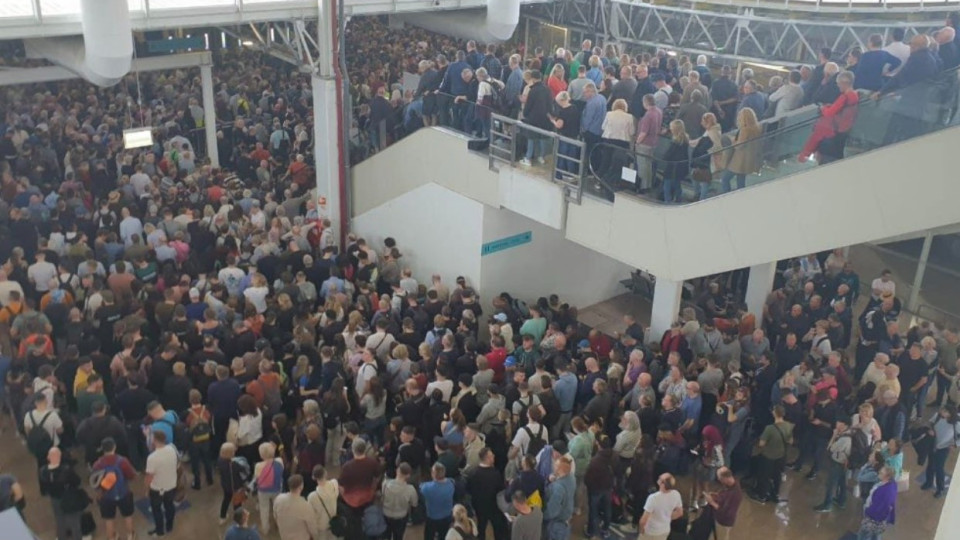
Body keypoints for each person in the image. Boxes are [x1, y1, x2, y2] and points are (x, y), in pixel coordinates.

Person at [91, 437, 137, 540]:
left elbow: (95, 482)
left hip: (106, 496)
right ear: (114, 447)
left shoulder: (98, 464)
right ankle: (130, 536)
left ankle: (112, 537)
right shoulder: (122, 461)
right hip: (124, 493)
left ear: (102, 449)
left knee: (109, 520)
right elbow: (131, 476)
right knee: (128, 516)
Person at [751, 405, 794, 503]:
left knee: (764, 476)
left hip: (768, 456)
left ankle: (762, 496)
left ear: (774, 414)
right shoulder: (788, 425)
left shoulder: (769, 428)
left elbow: (761, 444)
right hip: (781, 456)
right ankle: (775, 494)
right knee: (777, 476)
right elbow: (791, 441)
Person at [39, 447, 84, 540]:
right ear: (59, 457)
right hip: (68, 498)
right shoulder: (66, 469)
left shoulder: (43, 471)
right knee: (74, 522)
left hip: (54, 498)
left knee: (60, 521)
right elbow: (77, 481)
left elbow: (43, 487)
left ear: (48, 457)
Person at [921, 405, 960, 498]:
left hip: (943, 448)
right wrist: (929, 430)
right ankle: (928, 482)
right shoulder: (937, 416)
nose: (942, 411)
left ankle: (940, 489)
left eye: (945, 411)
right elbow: (929, 423)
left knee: (939, 469)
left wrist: (955, 444)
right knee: (930, 465)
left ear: (950, 414)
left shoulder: (956, 424)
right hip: (933, 445)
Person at [145, 430, 179, 536]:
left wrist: (146, 490)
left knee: (157, 510)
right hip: (171, 485)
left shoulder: (152, 458)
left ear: (154, 440)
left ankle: (159, 531)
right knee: (170, 506)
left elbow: (149, 477)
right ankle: (169, 526)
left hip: (157, 488)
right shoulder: (172, 448)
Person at [720, 107, 762, 192]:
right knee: (741, 180)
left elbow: (739, 146)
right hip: (749, 159)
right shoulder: (757, 128)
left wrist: (732, 140)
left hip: (739, 160)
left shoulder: (745, 130)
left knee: (725, 178)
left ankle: (726, 195)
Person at [639, 473, 683, 540]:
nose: (659, 477)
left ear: (662, 484)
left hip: (651, 531)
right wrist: (667, 518)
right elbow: (680, 513)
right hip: (665, 530)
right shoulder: (676, 494)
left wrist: (641, 529)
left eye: (660, 478)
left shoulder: (653, 498)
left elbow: (643, 520)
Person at [857, 466, 897, 540]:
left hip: (874, 518)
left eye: (881, 473)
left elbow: (878, 508)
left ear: (887, 477)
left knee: (863, 535)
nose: (879, 473)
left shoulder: (884, 491)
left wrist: (867, 511)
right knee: (876, 535)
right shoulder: (892, 484)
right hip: (882, 520)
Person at [542, 455, 576, 540]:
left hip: (557, 524)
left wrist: (541, 516)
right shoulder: (571, 477)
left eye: (556, 466)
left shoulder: (558, 488)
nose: (553, 466)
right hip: (566, 517)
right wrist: (554, 479)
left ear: (560, 469)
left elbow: (552, 511)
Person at [381, 462, 418, 540]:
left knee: (386, 535)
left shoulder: (385, 484)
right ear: (408, 475)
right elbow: (414, 504)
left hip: (386, 514)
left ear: (397, 471)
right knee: (398, 536)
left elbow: (382, 497)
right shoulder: (410, 489)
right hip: (401, 516)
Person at [704, 467, 743, 540]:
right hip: (718, 518)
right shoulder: (731, 485)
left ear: (726, 478)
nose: (719, 480)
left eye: (720, 478)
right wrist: (717, 495)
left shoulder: (735, 494)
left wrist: (711, 502)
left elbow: (726, 512)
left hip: (723, 522)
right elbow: (724, 496)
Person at [421, 463, 455, 540]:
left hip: (432, 517)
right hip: (447, 516)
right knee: (443, 535)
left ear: (433, 474)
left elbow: (421, 489)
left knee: (429, 536)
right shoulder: (451, 484)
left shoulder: (427, 488)